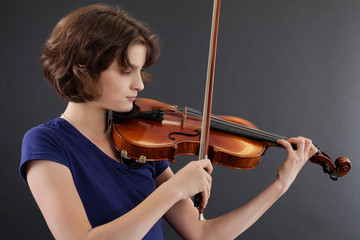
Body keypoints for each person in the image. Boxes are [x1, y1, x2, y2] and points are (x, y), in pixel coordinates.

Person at [20, 4, 317, 240]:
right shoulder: (46, 143)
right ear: (84, 67)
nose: (140, 85)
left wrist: (280, 185)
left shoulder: (143, 142)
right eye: (126, 71)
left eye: (140, 71)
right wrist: (173, 189)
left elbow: (203, 235)